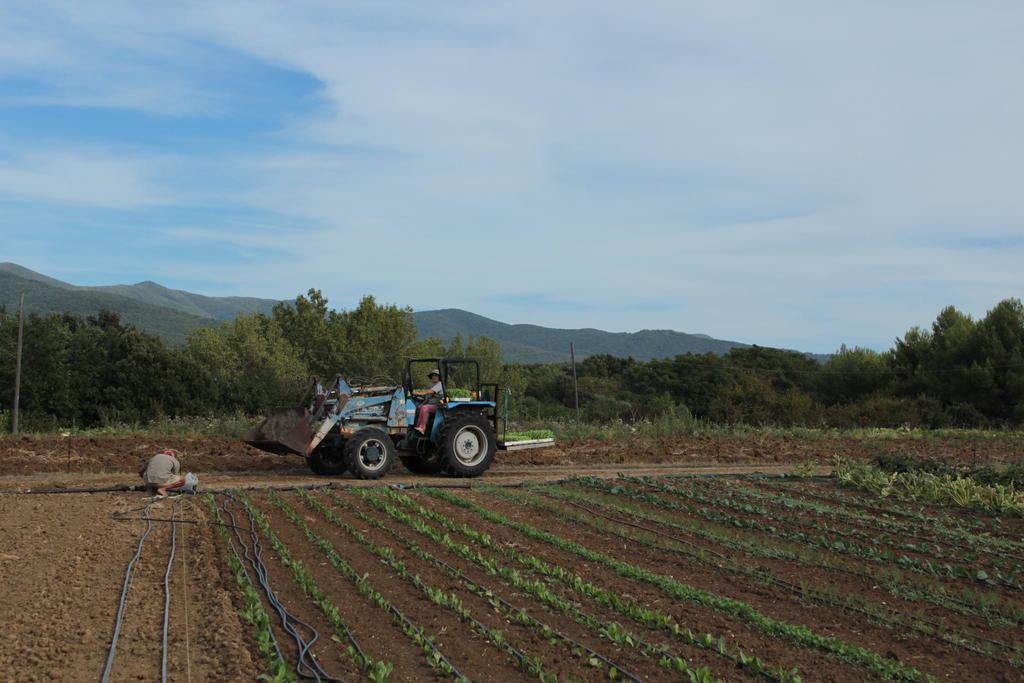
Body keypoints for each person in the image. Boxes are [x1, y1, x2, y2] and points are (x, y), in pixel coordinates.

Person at [412, 370, 445, 434]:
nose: (434, 377)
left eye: (436, 376)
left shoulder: (440, 384)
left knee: (425, 408)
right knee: (419, 407)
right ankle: (416, 426)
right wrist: (421, 404)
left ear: (439, 377)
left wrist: (419, 393)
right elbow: (428, 398)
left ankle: (422, 428)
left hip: (438, 405)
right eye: (433, 376)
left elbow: (430, 392)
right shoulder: (433, 385)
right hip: (431, 404)